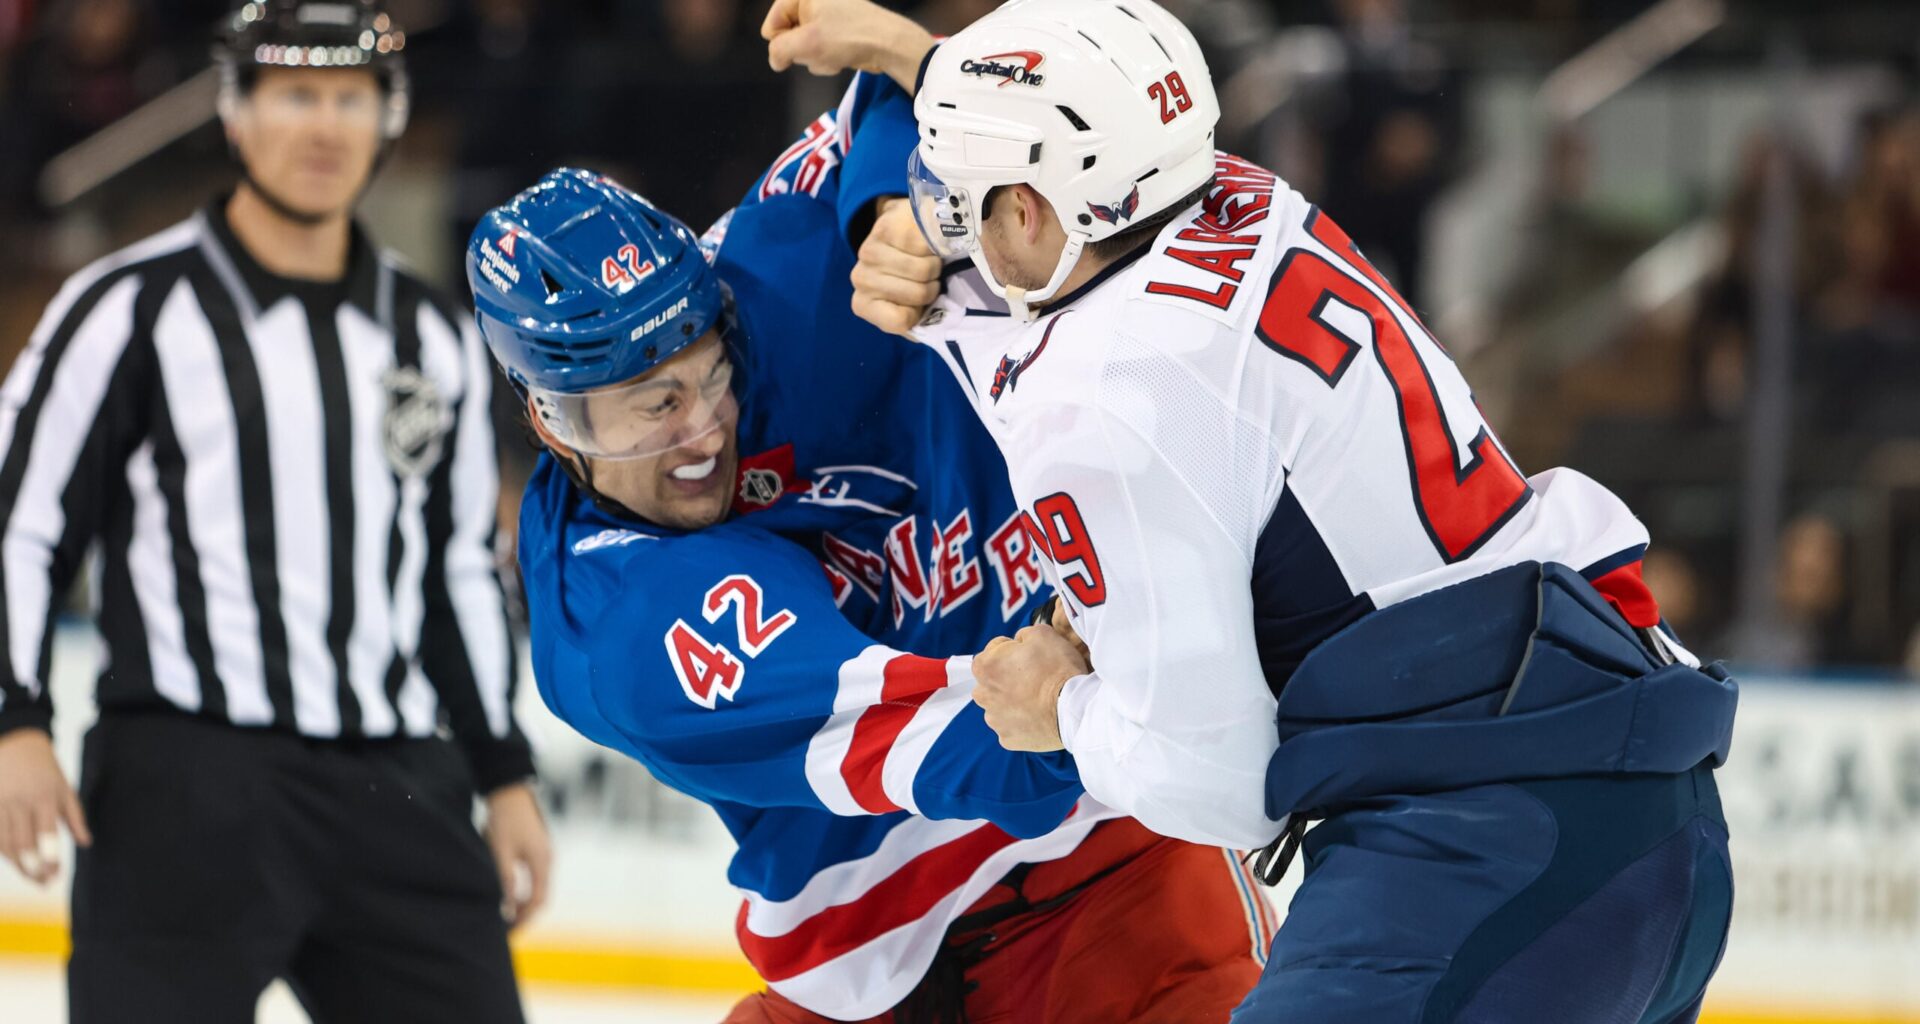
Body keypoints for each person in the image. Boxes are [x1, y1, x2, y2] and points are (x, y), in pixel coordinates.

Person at [770, 0, 1740, 1021]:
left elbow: (1218, 779)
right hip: (1648, 807)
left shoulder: (1099, 401)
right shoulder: (1241, 193)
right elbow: (1069, 264)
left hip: (1491, 853)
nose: (941, 218)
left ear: (1029, 206)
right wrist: (912, 63)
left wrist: (1057, 708)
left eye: (961, 195)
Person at [468, 57, 1270, 1024]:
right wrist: (1121, 699)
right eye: (647, 411)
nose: (700, 435)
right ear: (552, 427)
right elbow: (945, 743)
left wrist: (899, 210)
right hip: (872, 951)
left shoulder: (788, 285)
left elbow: (901, 96)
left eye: (707, 376)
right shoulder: (613, 620)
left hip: (1114, 860)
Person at [0, 3, 548, 1020]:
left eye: (352, 98)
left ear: (389, 121)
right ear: (235, 114)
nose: (324, 126)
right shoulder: (127, 307)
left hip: (396, 784)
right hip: (181, 784)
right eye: (295, 95)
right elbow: (20, 523)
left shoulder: (431, 332)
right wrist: (13, 719)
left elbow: (458, 569)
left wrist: (504, 773)